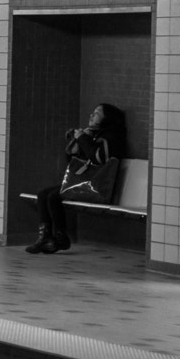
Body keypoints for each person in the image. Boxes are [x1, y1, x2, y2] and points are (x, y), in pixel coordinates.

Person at [27, 103, 127, 254]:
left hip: (99, 187)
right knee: (43, 194)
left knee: (54, 196)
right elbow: (73, 161)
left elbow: (99, 159)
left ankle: (60, 236)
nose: (91, 115)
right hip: (84, 182)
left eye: (97, 113)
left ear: (108, 118)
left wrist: (83, 139)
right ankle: (46, 237)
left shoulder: (112, 137)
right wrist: (79, 140)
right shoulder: (95, 135)